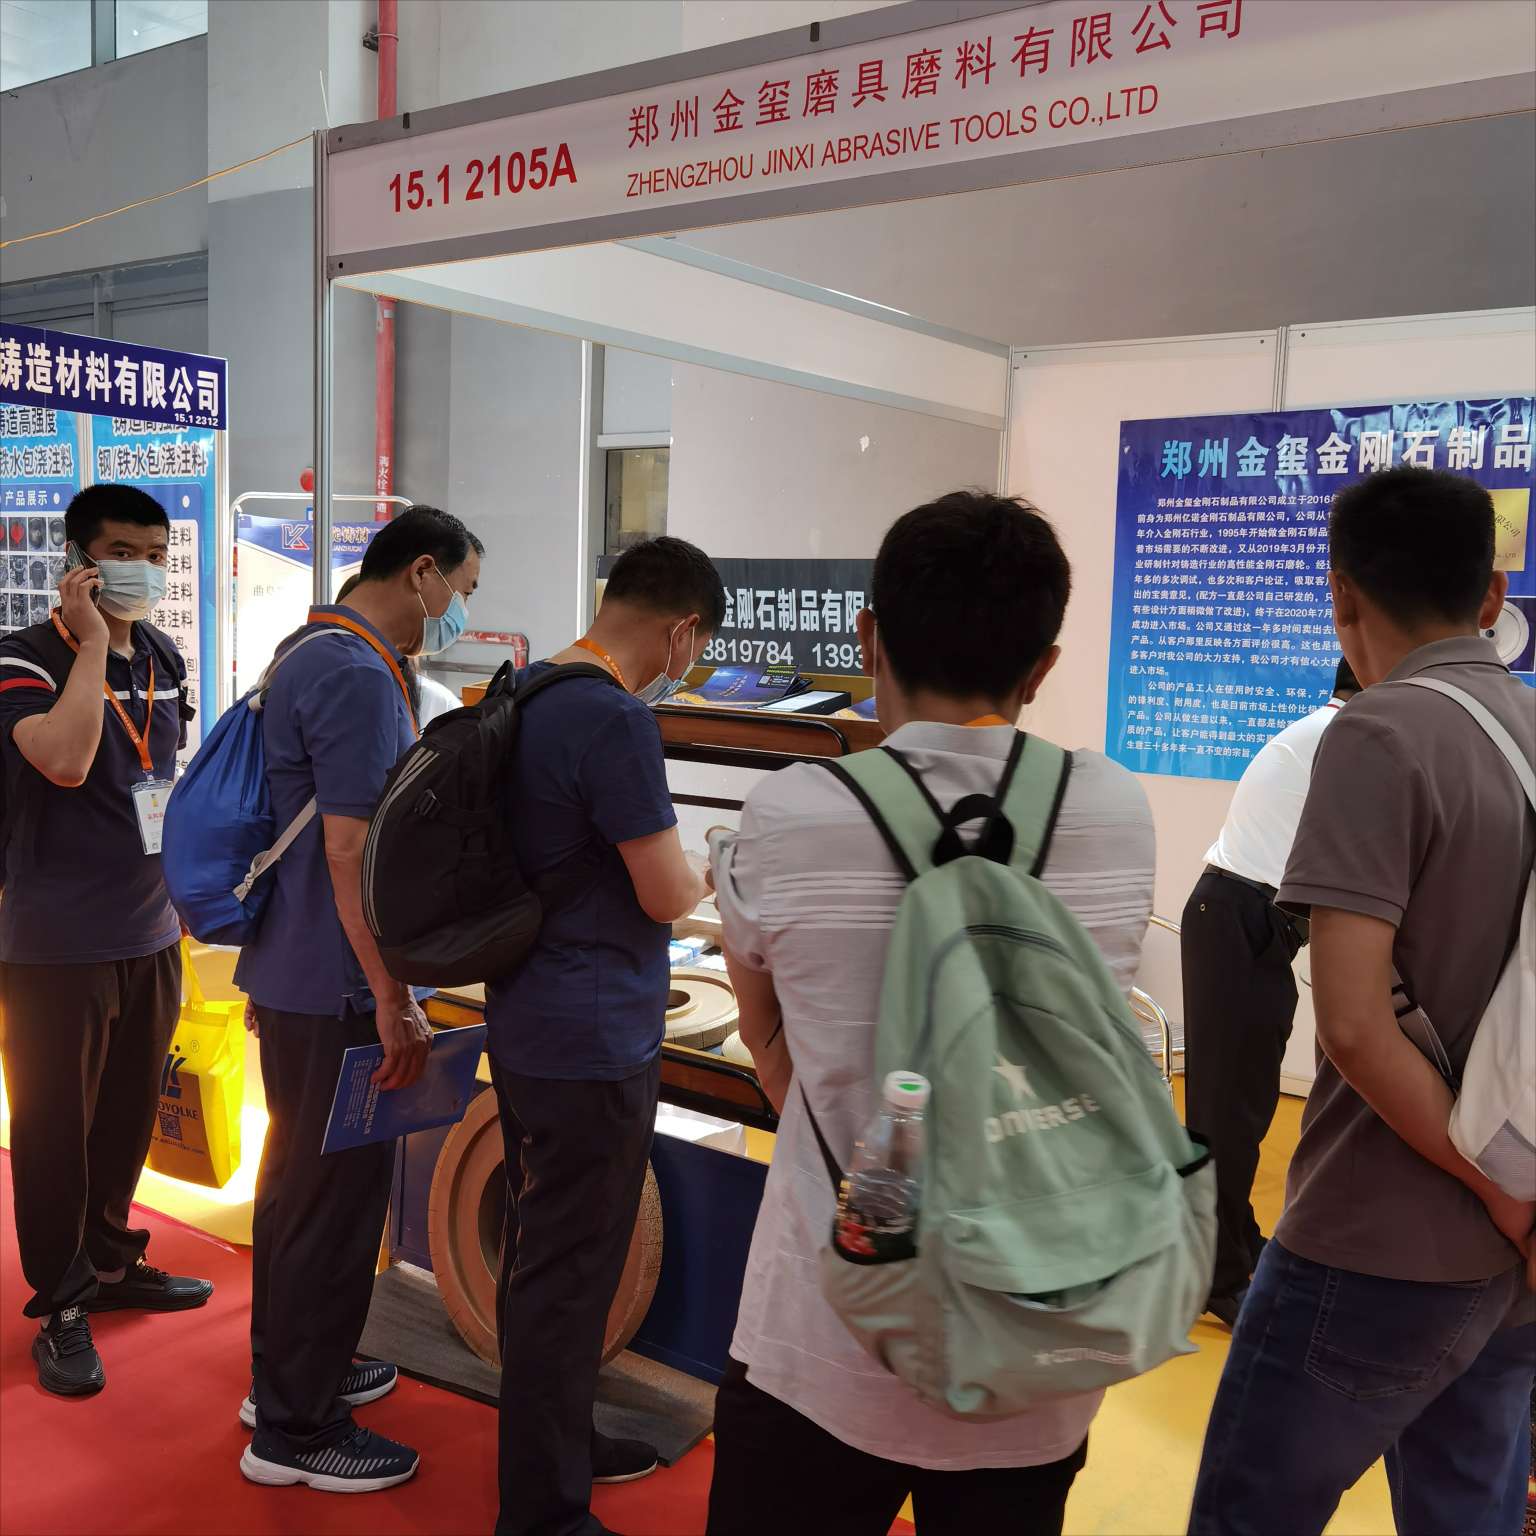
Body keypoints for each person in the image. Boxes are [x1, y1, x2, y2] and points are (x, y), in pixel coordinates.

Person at [705, 493, 1156, 1536]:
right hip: (1037, 1339)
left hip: (825, 1338)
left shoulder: (790, 812)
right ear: (1043, 665)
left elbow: (769, 1038)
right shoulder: (1115, 807)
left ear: (868, 637)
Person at [1190, 467, 1536, 1536]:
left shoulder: (1377, 732)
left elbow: (1350, 1020)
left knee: (1250, 1511)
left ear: (1341, 594)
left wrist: (1495, 1188)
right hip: (1518, 1243)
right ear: (1491, 594)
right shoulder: (1530, 724)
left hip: (1378, 1236)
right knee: (1466, 1511)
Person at [235, 505, 482, 1494]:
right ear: (422, 572)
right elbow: (351, 850)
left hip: (297, 968)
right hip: (335, 980)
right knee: (331, 1204)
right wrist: (392, 994)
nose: (459, 611)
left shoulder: (313, 650)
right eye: (462, 590)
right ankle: (296, 1429)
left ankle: (298, 1372)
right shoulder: (353, 673)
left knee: (301, 1190)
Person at [486, 535, 723, 1536]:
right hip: (592, 1035)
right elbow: (665, 892)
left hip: (528, 1013)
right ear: (681, 631)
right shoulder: (616, 718)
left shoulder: (529, 688)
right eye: (697, 648)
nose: (690, 663)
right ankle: (544, 1509)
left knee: (547, 1254)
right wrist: (719, 865)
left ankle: (561, 1445)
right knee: (569, 1268)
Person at [0, 484, 212, 1398]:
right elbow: (67, 759)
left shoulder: (162, 656)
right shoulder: (25, 656)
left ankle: (113, 1261)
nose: (145, 571)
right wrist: (90, 644)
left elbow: (164, 778)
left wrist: (190, 892)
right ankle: (62, 1299)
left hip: (150, 927)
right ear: (78, 563)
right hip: (55, 942)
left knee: (128, 1115)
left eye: (157, 555)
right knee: (55, 1128)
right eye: (124, 552)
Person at [1181, 657, 1361, 1327]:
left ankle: (1231, 1241)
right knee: (1227, 1113)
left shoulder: (1325, 731)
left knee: (1241, 1107)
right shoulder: (1343, 736)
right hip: (1238, 918)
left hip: (1244, 920)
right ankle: (1218, 1277)